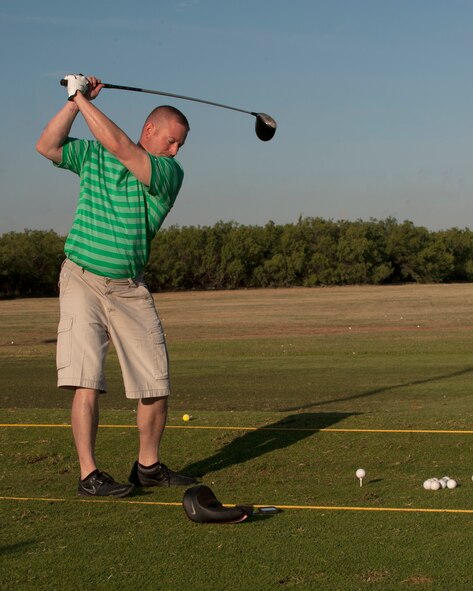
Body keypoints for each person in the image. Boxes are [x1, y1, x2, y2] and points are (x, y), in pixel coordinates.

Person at [36, 74, 197, 497]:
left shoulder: (166, 173)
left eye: (180, 144)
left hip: (129, 287)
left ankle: (148, 466)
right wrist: (74, 103)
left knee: (155, 382)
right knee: (86, 379)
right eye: (172, 140)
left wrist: (82, 97)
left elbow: (122, 147)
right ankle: (89, 474)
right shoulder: (93, 155)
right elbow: (47, 146)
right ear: (151, 130)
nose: (176, 150)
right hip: (81, 278)